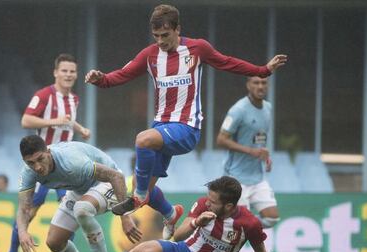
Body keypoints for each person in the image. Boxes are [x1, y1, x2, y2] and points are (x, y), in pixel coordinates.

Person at [85, 4, 287, 232]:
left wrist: (263, 70)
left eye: (165, 35)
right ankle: (171, 214)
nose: (160, 41)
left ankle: (138, 196)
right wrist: (100, 79)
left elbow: (228, 62)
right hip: (161, 127)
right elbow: (122, 75)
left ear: (177, 29)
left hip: (187, 127)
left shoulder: (197, 49)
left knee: (142, 141)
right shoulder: (150, 55)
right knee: (151, 189)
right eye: (156, 36)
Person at [97, 176, 285, 252]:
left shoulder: (249, 224)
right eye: (208, 199)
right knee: (139, 251)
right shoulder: (203, 204)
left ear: (229, 206)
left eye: (213, 202)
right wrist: (196, 223)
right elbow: (178, 237)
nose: (208, 204)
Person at [5, 53, 91, 252]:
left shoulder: (74, 99)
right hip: (42, 167)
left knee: (71, 208)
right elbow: (26, 120)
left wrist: (80, 130)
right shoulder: (44, 95)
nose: (68, 74)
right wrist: (55, 122)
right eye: (64, 70)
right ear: (55, 72)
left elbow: (67, 121)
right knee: (29, 212)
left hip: (64, 166)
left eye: (72, 71)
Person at [15, 135, 142, 252]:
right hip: (79, 189)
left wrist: (125, 217)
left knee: (82, 209)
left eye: (40, 159)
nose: (37, 167)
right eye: (31, 163)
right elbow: (24, 208)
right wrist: (23, 232)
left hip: (107, 183)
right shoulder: (29, 173)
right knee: (54, 242)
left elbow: (116, 177)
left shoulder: (72, 162)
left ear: (48, 152)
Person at [216, 76, 279, 229]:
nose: (260, 86)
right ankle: (226, 227)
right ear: (248, 85)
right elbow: (221, 140)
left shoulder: (268, 108)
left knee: (272, 219)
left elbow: (258, 139)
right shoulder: (238, 110)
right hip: (236, 177)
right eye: (256, 83)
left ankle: (238, 225)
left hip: (257, 177)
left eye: (263, 83)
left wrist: (265, 156)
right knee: (241, 222)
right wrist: (251, 151)